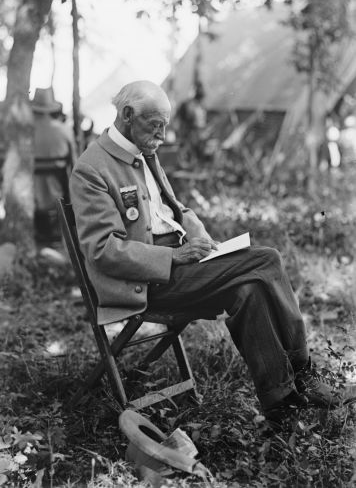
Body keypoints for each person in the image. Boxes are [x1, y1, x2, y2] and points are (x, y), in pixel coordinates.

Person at [70, 80, 339, 423]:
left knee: (249, 287)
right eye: (157, 126)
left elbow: (173, 212)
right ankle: (304, 371)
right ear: (127, 116)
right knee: (266, 259)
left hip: (182, 267)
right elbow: (104, 250)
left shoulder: (144, 154)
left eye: (165, 125)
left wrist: (207, 247)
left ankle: (281, 404)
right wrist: (173, 257)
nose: (163, 135)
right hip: (146, 283)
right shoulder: (92, 168)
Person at [31, 87, 76, 242]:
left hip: (32, 190)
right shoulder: (64, 130)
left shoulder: (25, 131)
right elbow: (74, 161)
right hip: (58, 189)